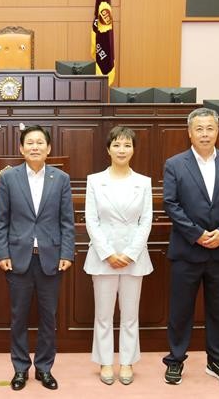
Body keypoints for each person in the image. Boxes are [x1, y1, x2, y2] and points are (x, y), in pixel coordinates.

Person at [162, 107, 219, 385]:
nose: (205, 134)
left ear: (217, 131)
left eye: (210, 128)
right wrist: (196, 233)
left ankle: (217, 361)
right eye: (199, 129)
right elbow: (171, 203)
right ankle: (175, 360)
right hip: (187, 250)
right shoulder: (175, 164)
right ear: (189, 132)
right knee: (180, 310)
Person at [0, 125, 75, 391]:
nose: (35, 147)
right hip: (18, 257)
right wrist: (2, 252)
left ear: (48, 148)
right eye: (29, 142)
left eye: (40, 142)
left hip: (51, 258)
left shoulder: (61, 178)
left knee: (48, 317)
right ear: (21, 148)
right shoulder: (9, 178)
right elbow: (1, 219)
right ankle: (20, 369)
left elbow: (67, 221)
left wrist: (67, 252)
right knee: (18, 317)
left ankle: (44, 368)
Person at [83, 126, 153, 386]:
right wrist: (109, 253)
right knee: (103, 314)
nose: (122, 150)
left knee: (130, 315)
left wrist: (130, 253)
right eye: (117, 145)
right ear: (108, 149)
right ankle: (104, 361)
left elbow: (146, 221)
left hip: (134, 257)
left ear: (133, 150)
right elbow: (91, 220)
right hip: (103, 257)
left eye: (127, 145)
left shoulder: (143, 182)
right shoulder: (94, 180)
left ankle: (126, 361)